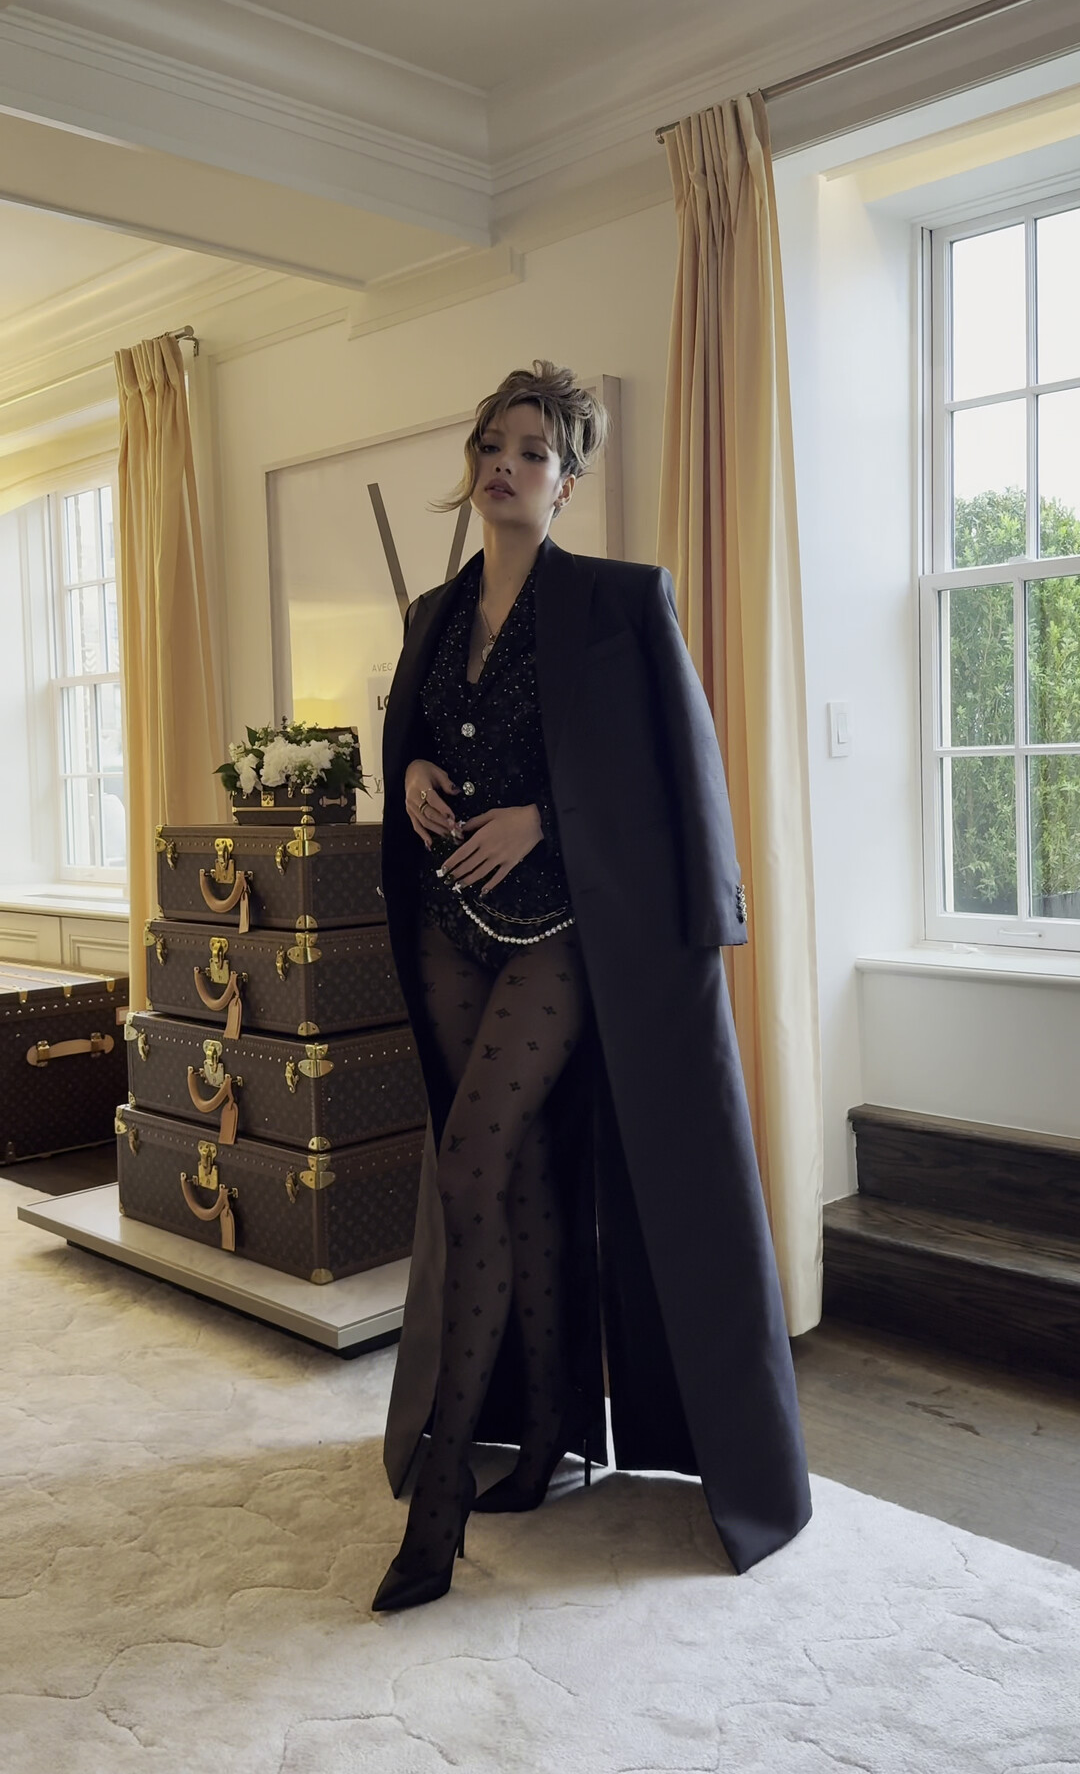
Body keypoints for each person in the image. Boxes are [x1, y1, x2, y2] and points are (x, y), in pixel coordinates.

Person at [374, 360, 810, 1614]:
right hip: (451, 920)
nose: (505, 466)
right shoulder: (433, 615)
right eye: (491, 447)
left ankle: (444, 1495)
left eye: (532, 451)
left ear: (567, 480)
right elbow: (421, 740)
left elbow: (675, 772)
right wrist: (410, 776)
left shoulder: (622, 602)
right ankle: (550, 1430)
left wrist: (545, 818)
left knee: (468, 1164)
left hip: (566, 927)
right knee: (509, 1176)